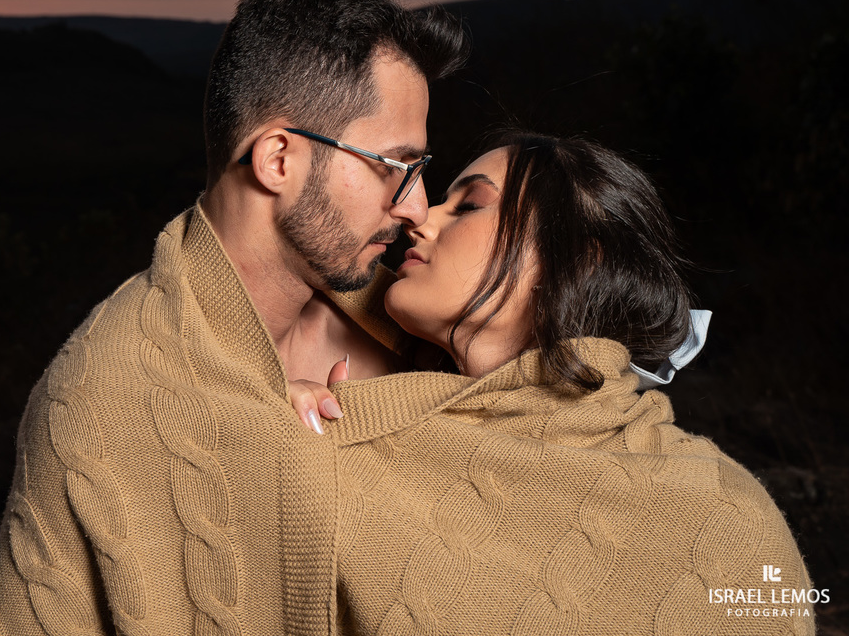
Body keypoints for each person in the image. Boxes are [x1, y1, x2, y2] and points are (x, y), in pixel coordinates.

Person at [0, 0, 467, 634]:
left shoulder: (419, 316)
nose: (417, 207)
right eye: (394, 167)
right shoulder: (97, 402)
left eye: (420, 170)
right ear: (279, 160)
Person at [288, 131, 818, 635]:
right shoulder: (349, 442)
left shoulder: (723, 515)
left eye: (469, 206)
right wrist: (267, 431)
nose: (420, 219)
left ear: (579, 258)